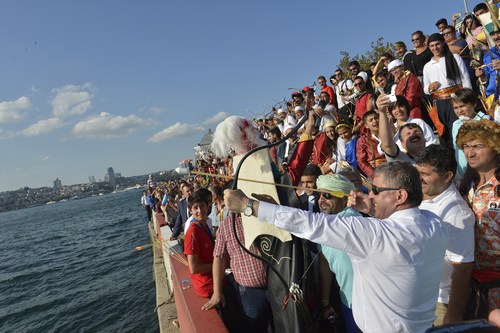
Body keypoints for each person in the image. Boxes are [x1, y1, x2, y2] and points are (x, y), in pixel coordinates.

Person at [223, 161, 447, 333]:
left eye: (376, 191)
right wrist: (372, 209)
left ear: (400, 195)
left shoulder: (373, 233)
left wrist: (248, 205)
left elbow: (313, 224)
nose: (370, 195)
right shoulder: (433, 223)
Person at [416, 145, 475, 325]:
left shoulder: (456, 213)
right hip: (421, 298)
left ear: (447, 176)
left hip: (441, 304)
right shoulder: (422, 196)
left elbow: (462, 268)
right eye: (418, 171)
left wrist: (453, 316)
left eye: (425, 174)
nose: (419, 178)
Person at [456, 120, 500, 315]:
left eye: (478, 146)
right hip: (473, 286)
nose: (470, 153)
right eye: (466, 146)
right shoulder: (464, 187)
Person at [316, 174, 361, 333]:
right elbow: (325, 264)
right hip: (346, 302)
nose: (321, 199)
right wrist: (325, 302)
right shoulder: (324, 223)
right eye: (319, 194)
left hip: (367, 303)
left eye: (327, 195)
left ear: (344, 199)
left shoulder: (353, 221)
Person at [423, 33, 472, 146]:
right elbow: (425, 89)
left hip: (455, 100)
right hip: (439, 104)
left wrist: (467, 98)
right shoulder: (427, 66)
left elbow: (465, 78)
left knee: (459, 130)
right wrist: (430, 87)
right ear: (429, 47)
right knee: (444, 133)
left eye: (437, 44)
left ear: (443, 44)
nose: (435, 48)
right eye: (432, 46)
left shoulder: (454, 58)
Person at [451, 88, 492, 177]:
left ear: (474, 104)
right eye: (456, 108)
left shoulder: (486, 121)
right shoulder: (456, 124)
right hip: (463, 174)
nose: (459, 111)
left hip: (483, 174)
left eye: (462, 106)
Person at [184, 190, 214, 298]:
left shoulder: (204, 225)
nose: (200, 210)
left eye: (202, 206)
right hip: (209, 287)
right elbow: (194, 268)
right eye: (195, 208)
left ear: (207, 206)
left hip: (215, 281)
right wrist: (220, 265)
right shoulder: (193, 231)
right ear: (190, 211)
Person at [356, 110, 385, 178]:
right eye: (371, 120)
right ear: (366, 126)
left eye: (376, 118)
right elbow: (361, 161)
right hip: (377, 172)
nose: (375, 121)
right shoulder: (363, 140)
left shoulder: (389, 133)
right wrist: (374, 174)